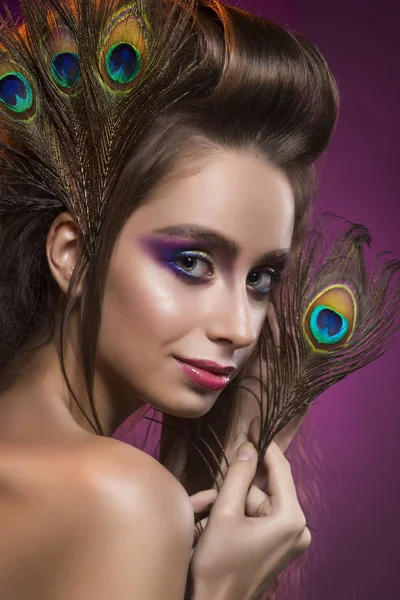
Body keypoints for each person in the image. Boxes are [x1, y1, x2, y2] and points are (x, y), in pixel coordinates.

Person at [0, 0, 339, 597]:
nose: (240, 327)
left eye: (261, 279)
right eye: (191, 262)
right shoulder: (125, 503)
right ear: (73, 254)